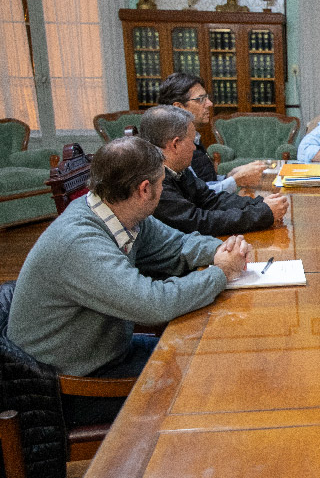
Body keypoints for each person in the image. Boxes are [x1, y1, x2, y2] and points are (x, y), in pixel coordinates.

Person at [7, 136, 250, 425]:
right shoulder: (79, 242)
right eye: (161, 184)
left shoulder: (121, 213)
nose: (164, 189)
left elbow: (175, 245)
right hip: (65, 388)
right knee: (208, 387)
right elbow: (152, 304)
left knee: (211, 358)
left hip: (108, 354)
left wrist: (220, 251)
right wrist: (221, 273)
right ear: (144, 189)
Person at [139, 105, 288, 236]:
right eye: (191, 142)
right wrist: (262, 213)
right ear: (175, 144)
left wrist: (259, 204)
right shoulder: (154, 181)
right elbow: (199, 222)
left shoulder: (176, 169)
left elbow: (211, 200)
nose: (194, 148)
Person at [157, 72, 266, 194]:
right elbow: (197, 195)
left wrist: (231, 175)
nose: (209, 103)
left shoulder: (193, 137)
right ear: (179, 107)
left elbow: (202, 181)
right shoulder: (173, 145)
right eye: (201, 99)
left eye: (207, 98)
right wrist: (236, 180)